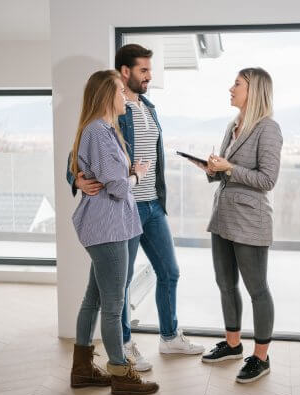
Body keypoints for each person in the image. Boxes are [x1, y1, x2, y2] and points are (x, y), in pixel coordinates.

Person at [66, 44, 204, 371]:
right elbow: (77, 158)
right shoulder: (109, 114)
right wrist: (77, 180)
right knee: (118, 286)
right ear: (125, 72)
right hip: (121, 208)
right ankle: (124, 347)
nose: (149, 76)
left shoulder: (148, 107)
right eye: (143, 70)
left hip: (150, 205)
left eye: (150, 70)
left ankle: (169, 337)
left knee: (168, 271)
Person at [69, 69, 159, 395]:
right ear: (108, 95)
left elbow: (95, 173)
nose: (126, 97)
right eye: (122, 91)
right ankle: (121, 375)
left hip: (106, 226)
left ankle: (81, 370)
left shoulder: (103, 130)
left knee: (94, 298)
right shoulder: (98, 130)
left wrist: (124, 174)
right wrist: (135, 175)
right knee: (113, 304)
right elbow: (118, 187)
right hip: (108, 228)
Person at [192, 68, 283, 383]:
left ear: (253, 90)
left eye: (237, 84)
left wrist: (229, 167)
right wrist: (211, 168)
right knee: (225, 283)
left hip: (250, 220)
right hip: (223, 218)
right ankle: (232, 346)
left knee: (257, 289)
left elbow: (267, 180)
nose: (231, 88)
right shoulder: (233, 125)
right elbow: (225, 174)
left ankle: (261, 357)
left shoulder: (268, 129)